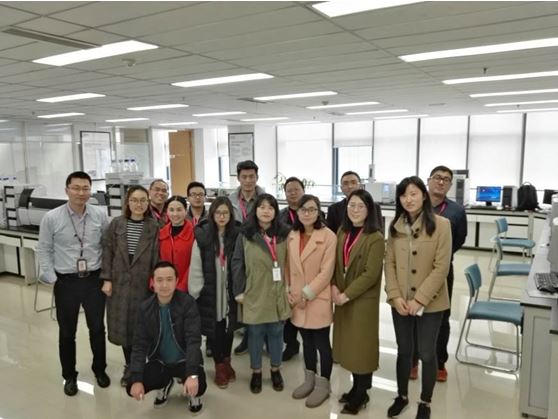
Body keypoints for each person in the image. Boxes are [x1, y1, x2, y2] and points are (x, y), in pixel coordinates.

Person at [37, 171, 110, 396]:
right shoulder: (52, 218)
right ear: (67, 190)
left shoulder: (99, 215)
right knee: (67, 332)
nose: (81, 193)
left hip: (94, 281)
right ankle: (69, 375)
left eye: (85, 188)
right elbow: (44, 249)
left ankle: (100, 369)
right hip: (66, 282)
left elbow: (107, 247)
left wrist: (107, 277)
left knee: (97, 329)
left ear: (90, 190)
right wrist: (52, 277)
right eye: (76, 188)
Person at [385, 176, 451, 419]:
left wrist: (420, 300)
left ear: (423, 195)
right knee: (404, 351)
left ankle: (425, 401)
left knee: (426, 353)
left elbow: (441, 267)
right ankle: (402, 396)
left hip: (431, 302)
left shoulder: (442, 225)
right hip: (401, 301)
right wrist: (394, 296)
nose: (408, 199)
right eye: (403, 195)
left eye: (413, 193)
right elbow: (389, 263)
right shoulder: (395, 226)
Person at [410, 166, 467, 382]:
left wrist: (440, 257)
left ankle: (440, 362)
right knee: (412, 314)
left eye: (446, 179)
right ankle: (413, 360)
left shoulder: (456, 211)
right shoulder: (414, 204)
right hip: (413, 269)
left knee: (441, 317)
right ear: (429, 180)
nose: (441, 182)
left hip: (442, 271)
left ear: (450, 185)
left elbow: (459, 239)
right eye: (437, 178)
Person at [127, 261, 207, 414]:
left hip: (185, 361)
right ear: (153, 282)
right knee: (131, 384)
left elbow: (193, 341)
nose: (164, 285)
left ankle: (193, 393)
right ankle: (164, 383)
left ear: (176, 281)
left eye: (169, 279)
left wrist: (192, 374)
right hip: (160, 362)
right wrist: (136, 379)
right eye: (159, 280)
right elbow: (139, 345)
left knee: (200, 385)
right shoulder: (145, 308)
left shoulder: (187, 303)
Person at [331, 189, 385, 415]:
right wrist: (334, 286)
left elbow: (370, 274)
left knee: (362, 347)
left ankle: (362, 393)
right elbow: (336, 263)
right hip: (342, 296)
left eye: (360, 206)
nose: (355, 210)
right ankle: (356, 388)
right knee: (350, 346)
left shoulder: (375, 238)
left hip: (361, 300)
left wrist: (346, 295)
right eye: (351, 205)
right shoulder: (342, 231)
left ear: (369, 210)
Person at [101, 185, 160, 387]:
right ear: (127, 202)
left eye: (143, 200)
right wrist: (107, 279)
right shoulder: (117, 224)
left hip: (143, 285)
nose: (138, 204)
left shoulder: (154, 226)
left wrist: (155, 283)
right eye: (134, 200)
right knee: (124, 328)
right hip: (119, 285)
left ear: (148, 203)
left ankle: (143, 365)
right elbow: (107, 252)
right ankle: (130, 366)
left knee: (141, 328)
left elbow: (157, 257)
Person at [231, 193, 291, 394]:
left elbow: (291, 263)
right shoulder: (245, 234)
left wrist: (290, 287)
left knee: (276, 332)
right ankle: (256, 371)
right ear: (255, 210)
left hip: (278, 290)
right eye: (262, 207)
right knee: (255, 333)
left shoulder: (284, 234)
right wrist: (239, 290)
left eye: (271, 207)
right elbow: (237, 263)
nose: (266, 211)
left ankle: (275, 369)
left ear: (276, 211)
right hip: (254, 290)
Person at [286, 194, 336, 408]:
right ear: (297, 212)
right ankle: (309, 380)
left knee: (322, 343)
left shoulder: (328, 236)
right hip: (296, 299)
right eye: (303, 209)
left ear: (318, 212)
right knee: (306, 341)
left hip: (317, 298)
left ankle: (323, 385)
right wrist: (289, 290)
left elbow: (327, 272)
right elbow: (287, 267)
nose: (307, 213)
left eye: (312, 209)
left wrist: (306, 294)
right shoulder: (292, 235)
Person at [188, 197, 242, 389]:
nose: (221, 216)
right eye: (218, 213)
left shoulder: (237, 235)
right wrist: (196, 290)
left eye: (225, 213)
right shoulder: (203, 235)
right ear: (212, 215)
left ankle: (227, 360)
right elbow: (196, 264)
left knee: (229, 328)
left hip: (230, 290)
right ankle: (219, 365)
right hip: (210, 290)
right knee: (214, 328)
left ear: (231, 215)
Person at [228, 160, 265, 355]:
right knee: (241, 291)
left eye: (252, 176)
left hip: (260, 251)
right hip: (237, 250)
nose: (248, 180)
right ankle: (247, 336)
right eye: (244, 177)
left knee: (260, 293)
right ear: (238, 178)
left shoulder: (265, 199)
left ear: (257, 177)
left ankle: (261, 337)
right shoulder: (230, 200)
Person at [278, 176, 305, 361]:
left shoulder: (313, 212)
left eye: (296, 189)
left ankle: (310, 345)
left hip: (307, 267)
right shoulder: (280, 216)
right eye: (289, 190)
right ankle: (291, 344)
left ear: (303, 191)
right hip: (287, 267)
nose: (293, 193)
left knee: (306, 306)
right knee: (288, 308)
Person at [159, 195, 194, 293]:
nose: (175, 214)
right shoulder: (161, 234)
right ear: (167, 212)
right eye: (171, 210)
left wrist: (182, 286)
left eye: (179, 210)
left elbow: (194, 264)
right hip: (164, 287)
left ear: (185, 211)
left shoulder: (194, 234)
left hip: (188, 287)